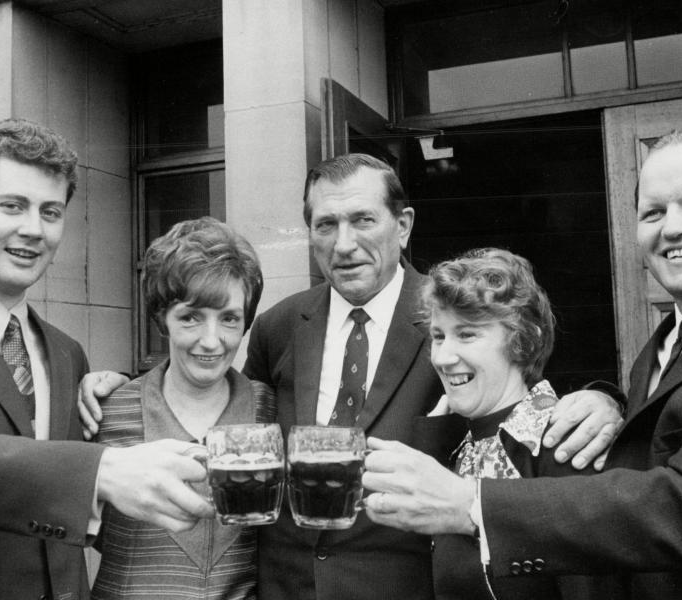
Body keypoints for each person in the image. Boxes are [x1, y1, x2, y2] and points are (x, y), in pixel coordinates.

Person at [77, 153, 625, 600]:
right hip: (282, 588)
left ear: (403, 226)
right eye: (326, 224)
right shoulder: (279, 324)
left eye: (363, 219)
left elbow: (520, 388)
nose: (344, 243)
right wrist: (119, 386)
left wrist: (604, 399)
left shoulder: (449, 317)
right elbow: (226, 401)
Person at [361, 131, 682, 600]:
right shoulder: (666, 342)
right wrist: (612, 400)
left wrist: (470, 503)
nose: (672, 227)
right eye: (653, 212)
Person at [0, 118, 214, 600]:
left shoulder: (66, 353)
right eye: (13, 206)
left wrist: (121, 402)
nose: (33, 229)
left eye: (50, 212)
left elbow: (59, 500)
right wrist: (99, 469)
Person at [90, 217, 272, 600]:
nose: (212, 341)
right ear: (162, 319)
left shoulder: (271, 410)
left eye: (229, 319)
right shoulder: (104, 413)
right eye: (191, 317)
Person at [412, 247, 593, 600]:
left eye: (466, 334)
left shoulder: (562, 443)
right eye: (438, 336)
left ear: (522, 342)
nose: (443, 357)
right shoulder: (455, 443)